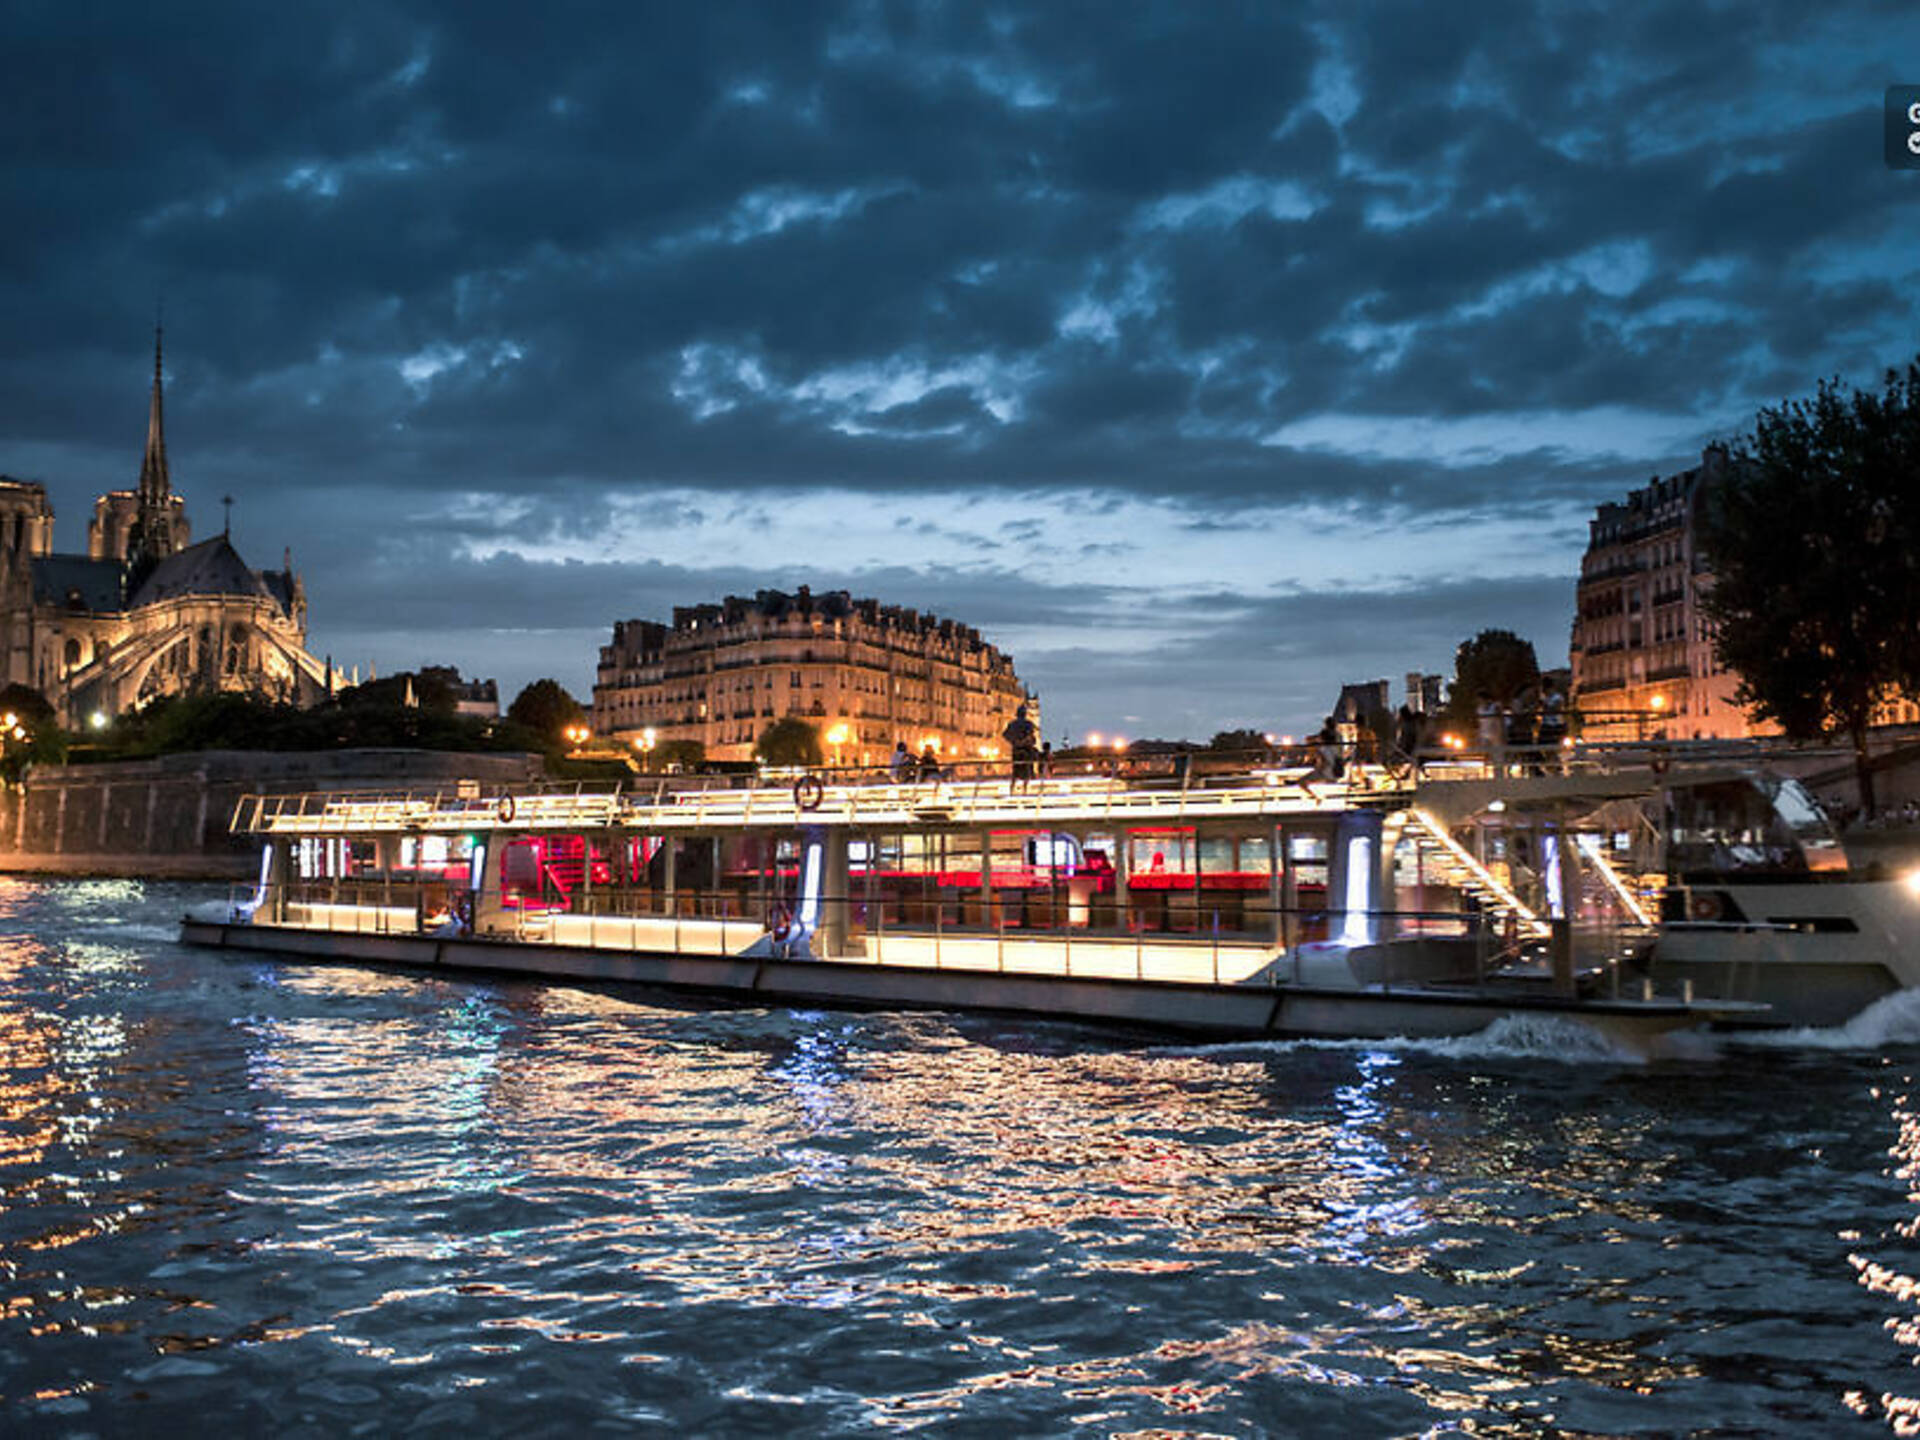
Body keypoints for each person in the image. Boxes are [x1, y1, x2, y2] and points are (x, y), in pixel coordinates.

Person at [1002, 704, 1039, 791]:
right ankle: (1025, 790)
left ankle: (1012, 789)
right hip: (1026, 749)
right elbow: (1031, 735)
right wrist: (1025, 740)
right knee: (1027, 769)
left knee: (1016, 771)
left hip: (1016, 749)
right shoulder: (1028, 724)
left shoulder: (1012, 724)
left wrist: (1014, 741)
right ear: (1025, 713)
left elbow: (1005, 735)